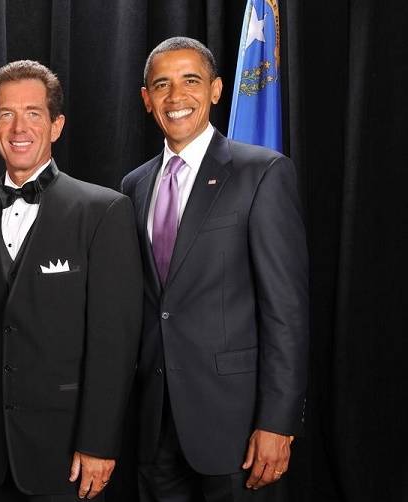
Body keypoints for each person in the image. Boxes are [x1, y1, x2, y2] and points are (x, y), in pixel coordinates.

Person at [121, 37, 309, 502]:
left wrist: (277, 421)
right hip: (155, 424)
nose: (175, 96)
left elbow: (286, 310)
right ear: (146, 99)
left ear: (217, 89)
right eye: (161, 85)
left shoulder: (261, 172)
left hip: (238, 427)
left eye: (191, 81)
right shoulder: (134, 185)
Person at [0, 60, 143, 501]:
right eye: (6, 114)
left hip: (68, 455)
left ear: (57, 125)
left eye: (33, 113)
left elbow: (114, 343)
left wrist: (98, 442)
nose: (19, 126)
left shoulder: (104, 211)